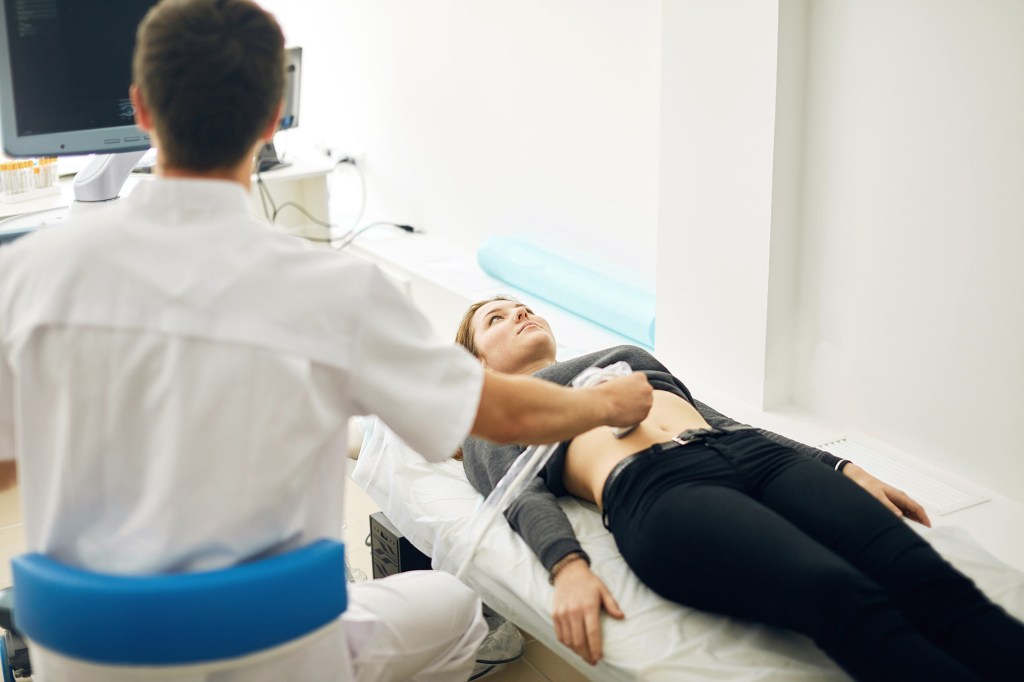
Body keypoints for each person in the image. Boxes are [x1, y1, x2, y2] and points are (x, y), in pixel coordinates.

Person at [0, 3, 652, 681]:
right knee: (461, 607)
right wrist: (609, 404)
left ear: (139, 109)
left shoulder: (30, 275)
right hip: (272, 650)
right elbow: (503, 414)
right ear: (271, 116)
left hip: (85, 653)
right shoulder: (333, 288)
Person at [456, 295, 1024, 682]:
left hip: (756, 458)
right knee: (844, 599)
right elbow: (519, 496)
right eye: (496, 320)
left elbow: (724, 421)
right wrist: (568, 566)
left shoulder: (621, 356)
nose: (519, 313)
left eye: (519, 305)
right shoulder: (491, 413)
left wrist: (840, 468)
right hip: (658, 488)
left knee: (930, 581)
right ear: (477, 361)